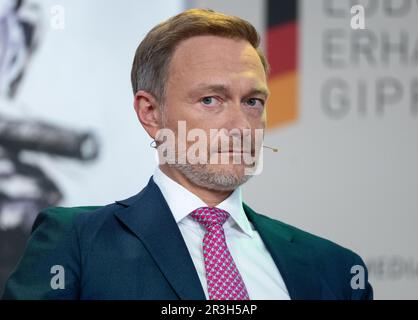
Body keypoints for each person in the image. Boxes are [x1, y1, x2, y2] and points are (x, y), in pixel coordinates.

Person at [2, 8, 373, 300]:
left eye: (253, 101)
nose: (241, 126)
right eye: (211, 99)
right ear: (151, 112)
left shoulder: (334, 269)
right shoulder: (75, 244)